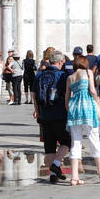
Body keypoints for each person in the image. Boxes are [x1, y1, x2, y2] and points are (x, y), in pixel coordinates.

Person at [64, 57, 100, 183]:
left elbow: (67, 99)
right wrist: (97, 101)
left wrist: (70, 111)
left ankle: (74, 177)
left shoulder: (70, 77)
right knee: (94, 139)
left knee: (76, 142)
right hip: (87, 108)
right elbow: (92, 90)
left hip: (74, 109)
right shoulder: (88, 72)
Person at [33, 51, 71, 182]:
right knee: (67, 142)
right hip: (59, 114)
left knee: (49, 146)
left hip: (44, 114)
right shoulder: (63, 76)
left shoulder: (39, 75)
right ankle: (55, 165)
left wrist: (37, 111)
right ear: (60, 62)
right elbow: (67, 95)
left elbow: (34, 96)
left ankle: (53, 175)